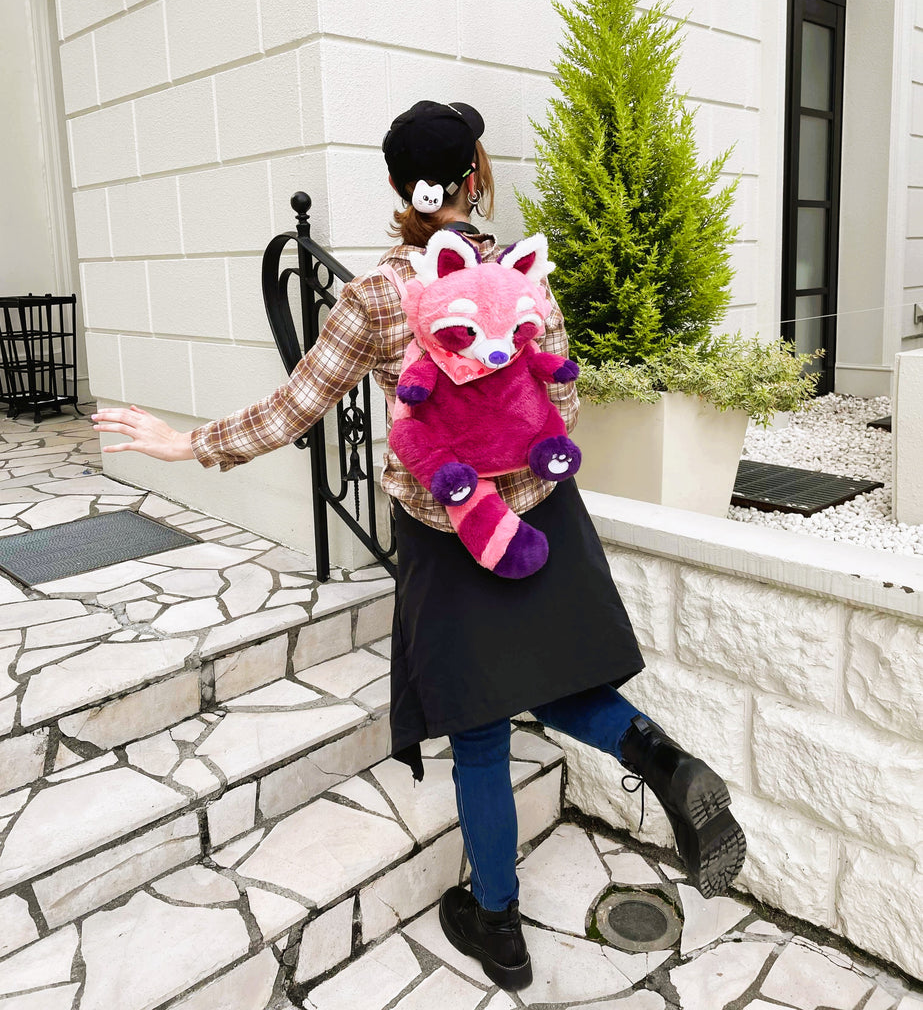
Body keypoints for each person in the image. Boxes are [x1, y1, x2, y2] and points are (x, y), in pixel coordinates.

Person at [93, 100, 746, 992]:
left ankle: (501, 932)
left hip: (451, 535)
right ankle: (659, 758)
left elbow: (295, 407)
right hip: (545, 523)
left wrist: (185, 443)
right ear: (473, 179)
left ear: (400, 188)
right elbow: (564, 407)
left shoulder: (373, 298)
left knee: (478, 730)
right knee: (554, 685)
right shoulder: (521, 279)